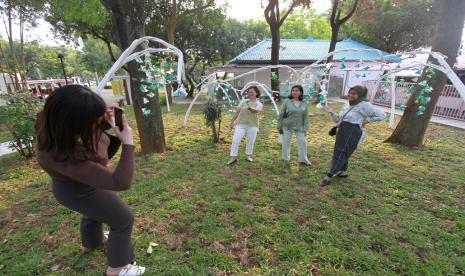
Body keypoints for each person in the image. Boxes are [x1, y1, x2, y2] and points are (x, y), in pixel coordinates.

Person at [35, 85, 145, 276]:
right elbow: (120, 182)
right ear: (75, 123)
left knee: (95, 211)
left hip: (72, 186)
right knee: (123, 218)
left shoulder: (53, 127)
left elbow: (91, 129)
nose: (97, 122)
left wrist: (106, 118)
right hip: (77, 191)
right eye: (92, 119)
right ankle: (118, 268)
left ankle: (92, 243)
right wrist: (128, 143)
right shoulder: (65, 154)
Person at [320, 85, 386, 187]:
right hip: (342, 130)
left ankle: (329, 175)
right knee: (339, 151)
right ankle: (343, 172)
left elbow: (382, 115)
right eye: (349, 93)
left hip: (352, 131)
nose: (350, 95)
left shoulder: (365, 105)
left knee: (342, 153)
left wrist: (367, 120)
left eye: (354, 94)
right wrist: (331, 112)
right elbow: (339, 120)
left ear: (360, 95)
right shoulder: (348, 104)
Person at [228, 86, 263, 164]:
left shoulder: (259, 104)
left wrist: (250, 108)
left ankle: (248, 155)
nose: (250, 94)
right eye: (249, 92)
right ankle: (233, 157)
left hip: (253, 125)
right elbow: (237, 112)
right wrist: (232, 122)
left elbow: (256, 111)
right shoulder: (243, 101)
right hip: (241, 124)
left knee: (250, 141)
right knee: (235, 140)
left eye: (252, 92)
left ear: (256, 93)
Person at [277, 84, 311, 165]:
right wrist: (279, 125)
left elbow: (305, 117)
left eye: (296, 91)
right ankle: (285, 159)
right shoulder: (287, 101)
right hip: (287, 126)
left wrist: (306, 128)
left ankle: (303, 159)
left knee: (302, 142)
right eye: (293, 90)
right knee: (286, 143)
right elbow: (281, 114)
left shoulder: (304, 103)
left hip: (300, 127)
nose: (294, 92)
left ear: (301, 92)